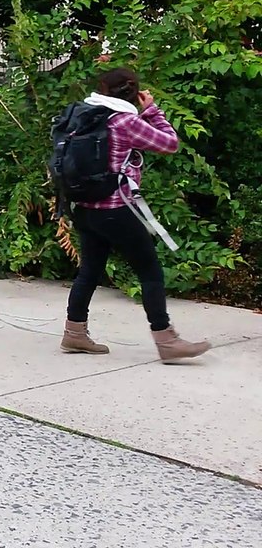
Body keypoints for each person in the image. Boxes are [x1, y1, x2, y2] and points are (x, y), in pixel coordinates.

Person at [61, 68, 210, 361]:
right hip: (116, 209)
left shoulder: (83, 114)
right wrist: (152, 110)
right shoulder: (126, 121)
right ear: (134, 92)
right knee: (150, 271)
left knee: (90, 270)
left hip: (84, 208)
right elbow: (169, 143)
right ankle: (166, 340)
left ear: (102, 89)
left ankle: (74, 332)